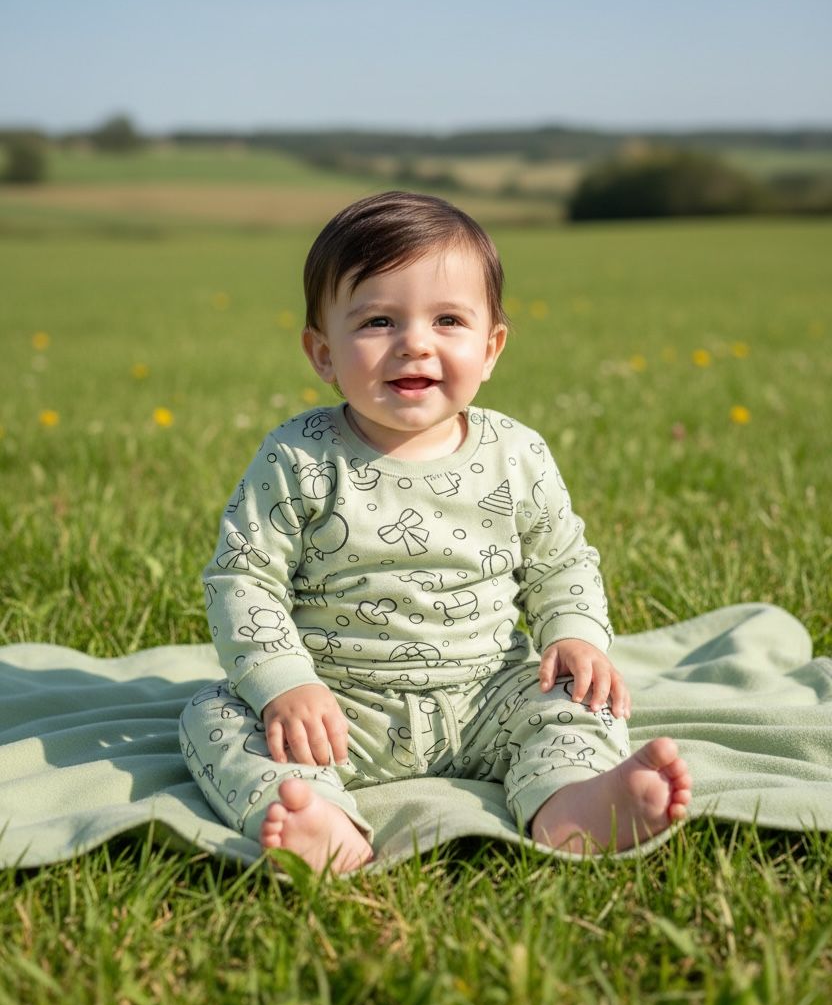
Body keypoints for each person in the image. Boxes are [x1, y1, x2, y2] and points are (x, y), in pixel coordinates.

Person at [180, 191, 691, 873]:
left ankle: (574, 805)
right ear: (322, 352)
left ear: (491, 348)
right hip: (336, 708)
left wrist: (575, 637)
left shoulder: (516, 453)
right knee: (214, 718)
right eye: (378, 321)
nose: (414, 342)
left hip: (490, 693)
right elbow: (244, 577)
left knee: (580, 702)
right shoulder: (298, 456)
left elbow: (561, 561)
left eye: (448, 319)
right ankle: (321, 823)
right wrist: (283, 683)